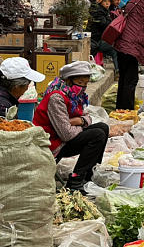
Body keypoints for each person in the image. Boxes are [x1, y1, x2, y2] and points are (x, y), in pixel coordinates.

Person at [33, 62, 110, 191]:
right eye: (80, 83)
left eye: (86, 84)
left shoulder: (74, 96)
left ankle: (88, 175)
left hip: (62, 137)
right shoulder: (57, 97)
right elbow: (67, 134)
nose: (83, 87)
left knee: (103, 127)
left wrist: (79, 121)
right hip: (51, 142)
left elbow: (87, 117)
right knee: (97, 135)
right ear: (69, 80)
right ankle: (75, 180)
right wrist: (80, 123)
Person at [89, 0, 119, 72]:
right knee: (115, 49)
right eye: (105, 1)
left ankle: (118, 71)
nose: (107, 3)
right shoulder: (98, 11)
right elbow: (105, 24)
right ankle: (118, 70)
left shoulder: (105, 11)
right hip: (96, 41)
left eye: (108, 1)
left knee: (114, 51)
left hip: (100, 40)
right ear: (100, 2)